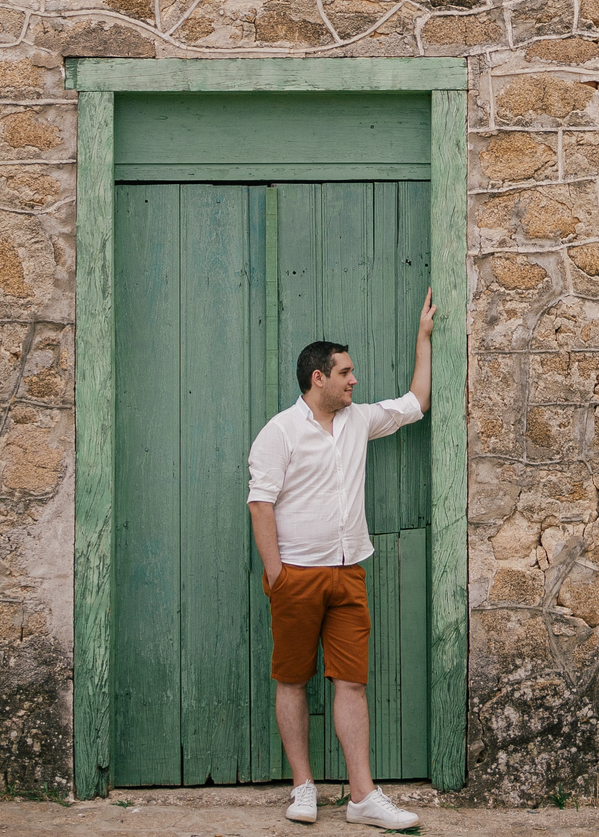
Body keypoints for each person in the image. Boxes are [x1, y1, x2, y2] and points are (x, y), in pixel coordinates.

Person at [247, 289, 435, 832]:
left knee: (351, 681)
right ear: (318, 379)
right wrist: (278, 574)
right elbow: (261, 505)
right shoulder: (279, 432)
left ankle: (362, 796)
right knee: (292, 679)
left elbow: (416, 402)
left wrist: (422, 337)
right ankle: (303, 787)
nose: (354, 380)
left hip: (350, 570)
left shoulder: (359, 421)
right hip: (297, 576)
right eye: (345, 373)